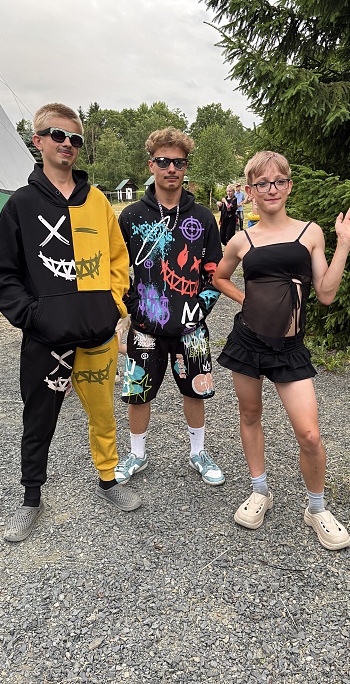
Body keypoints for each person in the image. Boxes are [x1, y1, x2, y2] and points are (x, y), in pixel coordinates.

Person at [0, 103, 141, 542]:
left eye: (75, 138)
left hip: (97, 335)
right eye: (57, 135)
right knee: (38, 418)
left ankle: (108, 480)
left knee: (103, 413)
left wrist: (113, 307)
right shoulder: (20, 205)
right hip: (46, 339)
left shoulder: (97, 201)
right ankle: (31, 498)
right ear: (37, 141)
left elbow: (118, 259)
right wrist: (34, 317)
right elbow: (4, 275)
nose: (67, 144)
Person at [212, 151, 350, 550]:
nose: (271, 189)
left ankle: (316, 508)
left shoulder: (310, 232)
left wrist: (344, 243)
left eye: (278, 181)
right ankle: (259, 490)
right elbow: (219, 277)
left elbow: (326, 294)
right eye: (262, 183)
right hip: (247, 343)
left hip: (290, 349)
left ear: (289, 186)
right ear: (250, 191)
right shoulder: (242, 239)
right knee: (250, 415)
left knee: (310, 434)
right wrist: (245, 299)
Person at [116, 127, 224, 487]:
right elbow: (117, 270)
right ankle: (137, 454)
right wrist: (134, 308)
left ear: (186, 167)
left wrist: (199, 311)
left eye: (179, 162)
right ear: (151, 165)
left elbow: (216, 273)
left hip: (192, 329)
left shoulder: (204, 218)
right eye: (163, 161)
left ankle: (198, 453)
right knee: (138, 391)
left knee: (195, 390)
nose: (171, 168)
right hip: (145, 328)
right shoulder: (131, 217)